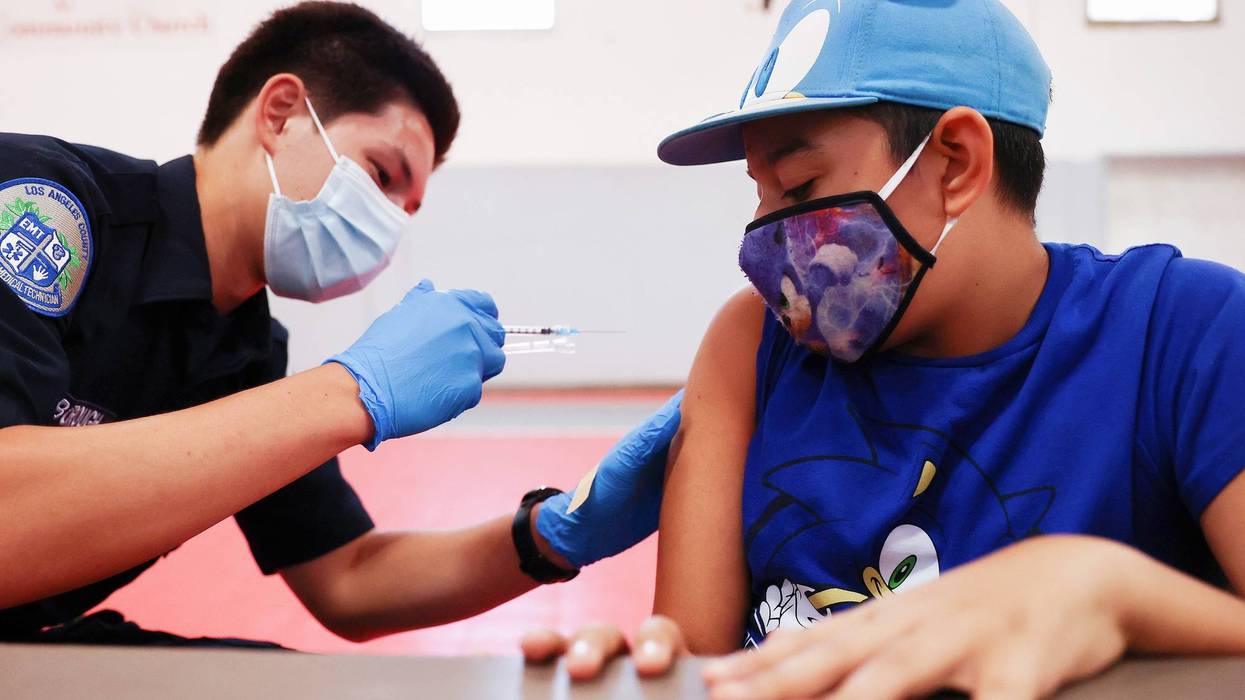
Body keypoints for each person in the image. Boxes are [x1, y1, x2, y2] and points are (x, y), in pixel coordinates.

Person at [523, 1, 1245, 696]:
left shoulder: (1184, 332)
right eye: (760, 192)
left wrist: (1113, 595)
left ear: (957, 163)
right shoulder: (750, 346)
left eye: (799, 183)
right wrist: (639, 669)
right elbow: (694, 662)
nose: (764, 230)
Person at [0, 1, 678, 646]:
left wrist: (550, 534)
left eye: (404, 212)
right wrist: (350, 392)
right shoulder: (47, 207)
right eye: (381, 174)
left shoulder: (244, 355)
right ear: (281, 112)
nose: (383, 227)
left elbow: (350, 579)